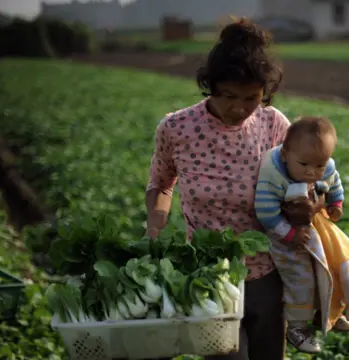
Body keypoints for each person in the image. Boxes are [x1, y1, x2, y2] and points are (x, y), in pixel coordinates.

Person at [144, 18, 322, 360]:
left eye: (251, 98)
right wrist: (156, 224)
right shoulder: (177, 127)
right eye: (229, 96)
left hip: (267, 273)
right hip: (208, 275)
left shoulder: (274, 125)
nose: (239, 108)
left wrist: (305, 208)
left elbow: (305, 183)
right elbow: (161, 182)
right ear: (210, 86)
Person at [254, 116, 349, 354]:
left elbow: (334, 181)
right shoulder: (272, 173)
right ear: (286, 155)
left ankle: (329, 313)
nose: (312, 172)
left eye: (319, 165)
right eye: (305, 165)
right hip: (282, 235)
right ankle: (297, 327)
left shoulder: (324, 165)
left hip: (313, 227)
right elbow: (266, 213)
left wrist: (335, 203)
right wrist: (289, 235)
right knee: (301, 277)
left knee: (333, 265)